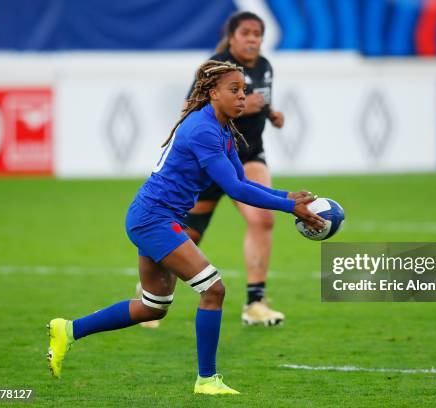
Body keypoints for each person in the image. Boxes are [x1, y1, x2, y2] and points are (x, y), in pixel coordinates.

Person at [47, 60, 325, 395]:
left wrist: (285, 196)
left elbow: (239, 180)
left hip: (155, 217)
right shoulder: (204, 130)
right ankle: (207, 380)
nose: (242, 97)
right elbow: (236, 191)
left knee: (152, 305)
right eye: (234, 90)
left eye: (244, 90)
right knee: (214, 289)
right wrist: (288, 206)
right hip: (154, 219)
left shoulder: (222, 129)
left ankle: (68, 330)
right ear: (212, 93)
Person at [137, 11, 289, 328]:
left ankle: (255, 302)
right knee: (189, 233)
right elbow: (189, 108)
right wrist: (246, 107)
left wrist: (271, 114)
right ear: (231, 36)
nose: (253, 39)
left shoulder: (264, 66)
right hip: (210, 162)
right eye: (246, 33)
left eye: (258, 34)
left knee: (262, 219)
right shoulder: (215, 69)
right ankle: (150, 296)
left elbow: (259, 99)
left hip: (248, 155)